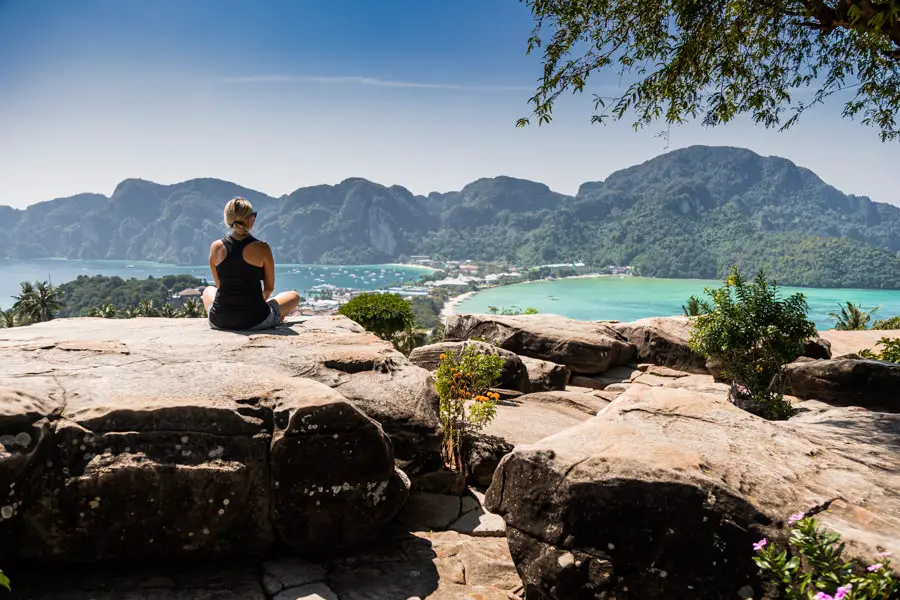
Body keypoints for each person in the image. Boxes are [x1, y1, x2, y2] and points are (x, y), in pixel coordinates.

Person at [202, 197, 301, 330]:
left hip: (219, 320)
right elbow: (269, 288)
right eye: (253, 215)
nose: (254, 218)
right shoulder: (262, 248)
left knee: (208, 290)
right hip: (255, 320)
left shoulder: (215, 247)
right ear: (250, 219)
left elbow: (221, 287)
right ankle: (275, 318)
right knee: (294, 296)